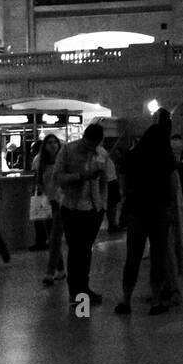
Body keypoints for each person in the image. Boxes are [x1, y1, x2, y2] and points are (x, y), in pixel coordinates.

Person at [116, 124, 183, 316]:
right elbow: (172, 184)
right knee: (158, 256)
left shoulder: (133, 155)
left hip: (137, 210)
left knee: (133, 256)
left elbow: (124, 182)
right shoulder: (165, 156)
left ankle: (126, 300)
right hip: (159, 210)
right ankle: (155, 301)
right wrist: (171, 207)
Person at [56, 123, 109, 308]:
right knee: (76, 250)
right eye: (88, 144)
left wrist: (102, 205)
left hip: (93, 209)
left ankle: (83, 289)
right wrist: (80, 177)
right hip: (72, 207)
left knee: (85, 250)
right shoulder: (68, 151)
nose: (91, 149)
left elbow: (107, 181)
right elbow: (58, 177)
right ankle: (76, 293)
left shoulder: (102, 153)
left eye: (94, 145)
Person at [36, 134, 66, 286]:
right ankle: (60, 269)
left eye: (55, 142)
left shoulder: (63, 161)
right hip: (48, 202)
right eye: (49, 143)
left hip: (61, 202)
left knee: (54, 237)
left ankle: (50, 272)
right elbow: (39, 181)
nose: (53, 145)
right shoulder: (41, 162)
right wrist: (45, 194)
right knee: (51, 236)